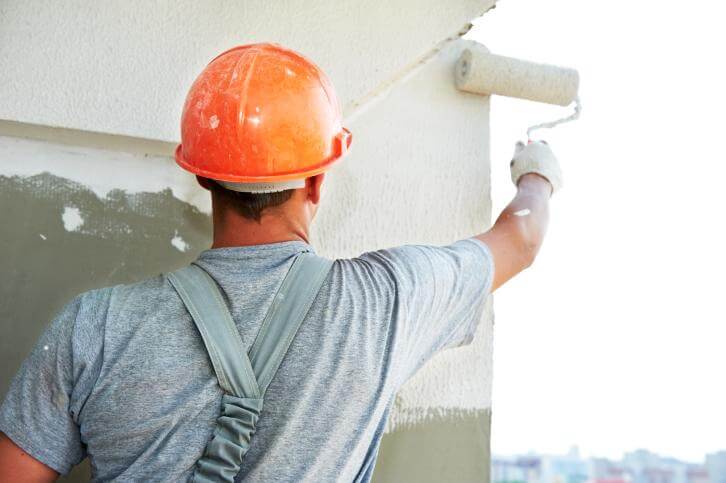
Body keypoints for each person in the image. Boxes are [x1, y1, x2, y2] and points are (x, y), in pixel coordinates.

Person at [0, 43, 562, 482]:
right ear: (317, 180)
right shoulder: (385, 302)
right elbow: (522, 238)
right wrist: (536, 172)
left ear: (200, 174)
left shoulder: (94, 326)